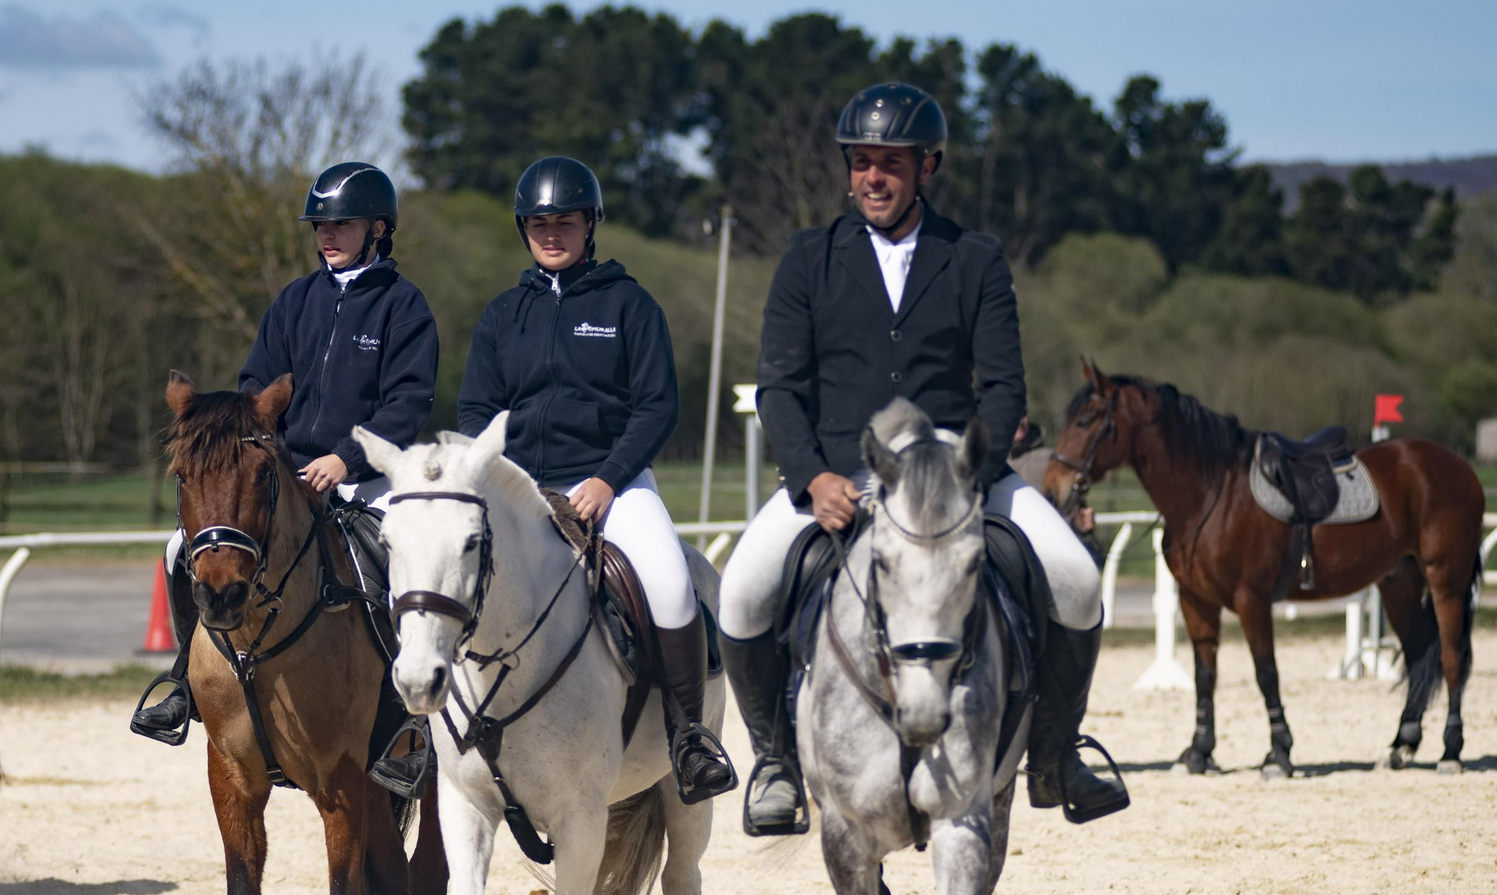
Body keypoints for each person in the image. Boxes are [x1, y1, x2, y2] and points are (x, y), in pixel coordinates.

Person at [718, 82, 1129, 833]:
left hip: (955, 475)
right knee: (742, 591)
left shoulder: (973, 257)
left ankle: (1058, 753)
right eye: (862, 162)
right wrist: (812, 476)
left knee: (1076, 577)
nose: (874, 177)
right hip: (840, 469)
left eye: (892, 164)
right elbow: (781, 387)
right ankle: (775, 761)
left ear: (927, 168)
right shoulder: (809, 257)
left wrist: (971, 471)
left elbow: (1004, 385)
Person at [131, 161, 440, 797]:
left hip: (368, 478)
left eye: (342, 223)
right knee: (178, 550)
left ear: (378, 228)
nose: (328, 234)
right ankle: (182, 687)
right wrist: (259, 450)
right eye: (321, 224)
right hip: (284, 471)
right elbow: (254, 388)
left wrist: (345, 459)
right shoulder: (294, 300)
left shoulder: (403, 306)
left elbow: (407, 404)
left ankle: (412, 725)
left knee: (406, 560)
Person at [456, 156, 736, 804]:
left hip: (611, 484)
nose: (552, 233)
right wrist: (503, 478)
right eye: (540, 223)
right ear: (524, 227)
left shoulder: (628, 304)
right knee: (437, 569)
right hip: (519, 486)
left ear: (591, 225)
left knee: (670, 581)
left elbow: (656, 406)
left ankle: (690, 736)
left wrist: (609, 479)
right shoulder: (502, 315)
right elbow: (476, 410)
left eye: (566, 222)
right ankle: (422, 733)